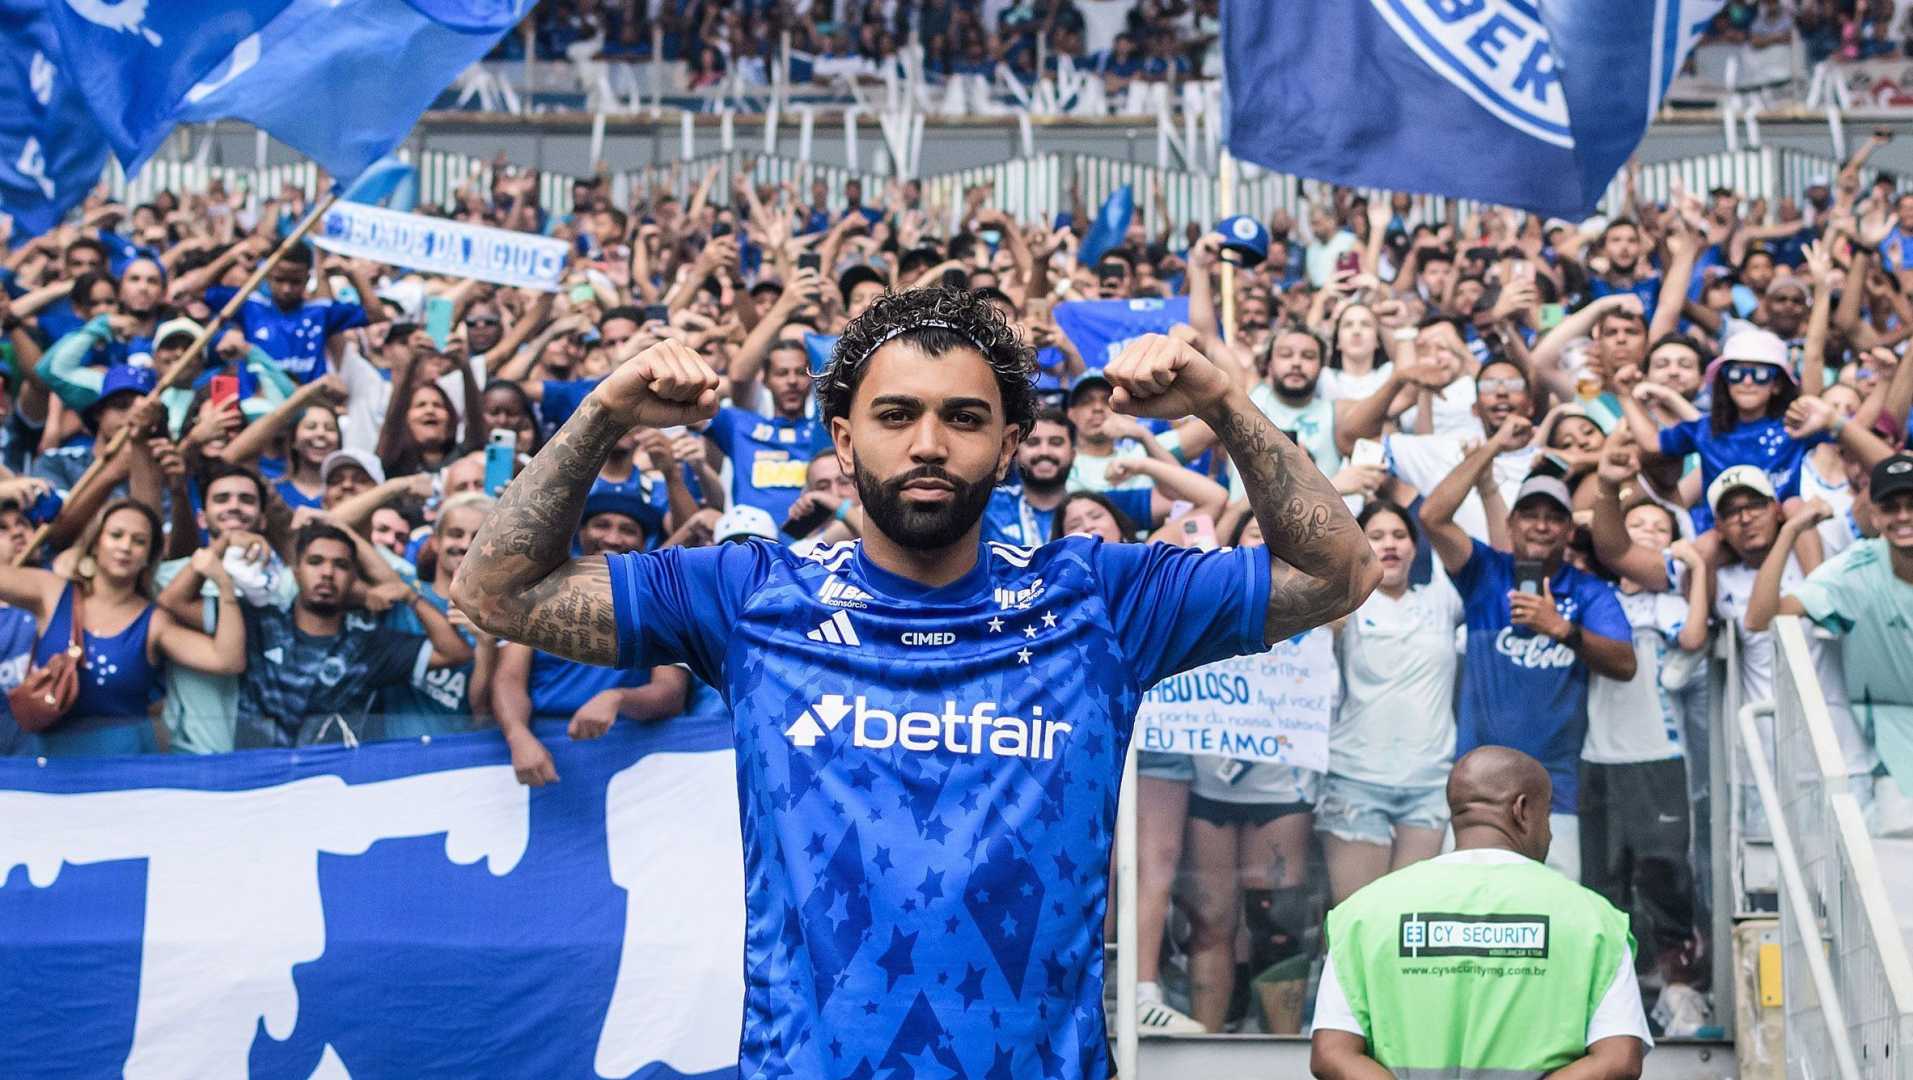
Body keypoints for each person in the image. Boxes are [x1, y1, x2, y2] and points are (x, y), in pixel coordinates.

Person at [453, 288, 1379, 1078]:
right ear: (843, 440)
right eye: (896, 415)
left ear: (1010, 444)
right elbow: (494, 590)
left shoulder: (1099, 593)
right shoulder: (750, 594)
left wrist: (1220, 399)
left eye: (964, 417)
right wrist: (604, 412)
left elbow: (1337, 574)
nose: (929, 443)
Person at [1309, 747, 1652, 1079]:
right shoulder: (1593, 919)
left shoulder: (1363, 915)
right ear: (1522, 810)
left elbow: (1331, 1054)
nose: (1548, 833)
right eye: (1547, 815)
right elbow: (1619, 1060)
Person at [1420, 417, 1637, 879]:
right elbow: (1431, 516)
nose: (1541, 525)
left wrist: (1562, 629)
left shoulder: (1589, 591)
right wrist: (1494, 446)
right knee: (1466, 915)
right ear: (1512, 524)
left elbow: (1625, 662)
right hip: (1477, 790)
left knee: (1551, 922)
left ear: (1567, 531)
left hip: (1553, 792)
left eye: (1554, 517)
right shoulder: (1486, 572)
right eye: (1530, 515)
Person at [1183, 512, 1333, 1034]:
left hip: (1284, 781)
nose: (1264, 545)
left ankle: (1284, 1044)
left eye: (1274, 538)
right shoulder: (1210, 599)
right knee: (1212, 920)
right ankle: (1206, 1039)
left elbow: (1348, 587)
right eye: (1253, 535)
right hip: (1211, 780)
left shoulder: (1317, 604)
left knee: (1278, 925)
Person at [0, 499, 245, 756]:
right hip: (50, 763)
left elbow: (227, 660)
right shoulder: (51, 591)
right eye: (116, 535)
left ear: (149, 557)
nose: (126, 547)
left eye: (139, 541)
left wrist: (224, 586)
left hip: (126, 768)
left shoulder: (153, 622)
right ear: (95, 543)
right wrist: (5, 490)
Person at [1753, 452, 1913, 824]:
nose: (1903, 516)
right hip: (1896, 769)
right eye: (1891, 507)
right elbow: (1761, 618)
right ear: (1874, 516)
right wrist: (1790, 532)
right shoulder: (1859, 569)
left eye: (1912, 505)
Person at [1319, 500, 1461, 905]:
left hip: (1430, 785)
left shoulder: (1442, 599)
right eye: (1376, 536)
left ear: (1415, 546)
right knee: (1357, 919)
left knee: (1407, 922)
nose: (1390, 544)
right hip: (1355, 780)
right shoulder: (1340, 606)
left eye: (1400, 535)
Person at [231, 520, 472, 748]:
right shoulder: (260, 624)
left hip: (330, 785)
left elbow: (455, 652)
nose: (327, 572)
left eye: (341, 565)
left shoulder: (367, 646)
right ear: (295, 573)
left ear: (353, 579)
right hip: (252, 781)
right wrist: (226, 543)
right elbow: (191, 609)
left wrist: (411, 597)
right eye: (315, 561)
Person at [152, 464, 294, 754]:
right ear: (202, 519)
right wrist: (225, 543)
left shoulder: (288, 582)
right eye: (222, 499)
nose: (234, 507)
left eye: (246, 499)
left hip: (270, 750)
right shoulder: (170, 577)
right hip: (195, 750)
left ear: (263, 520)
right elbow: (169, 601)